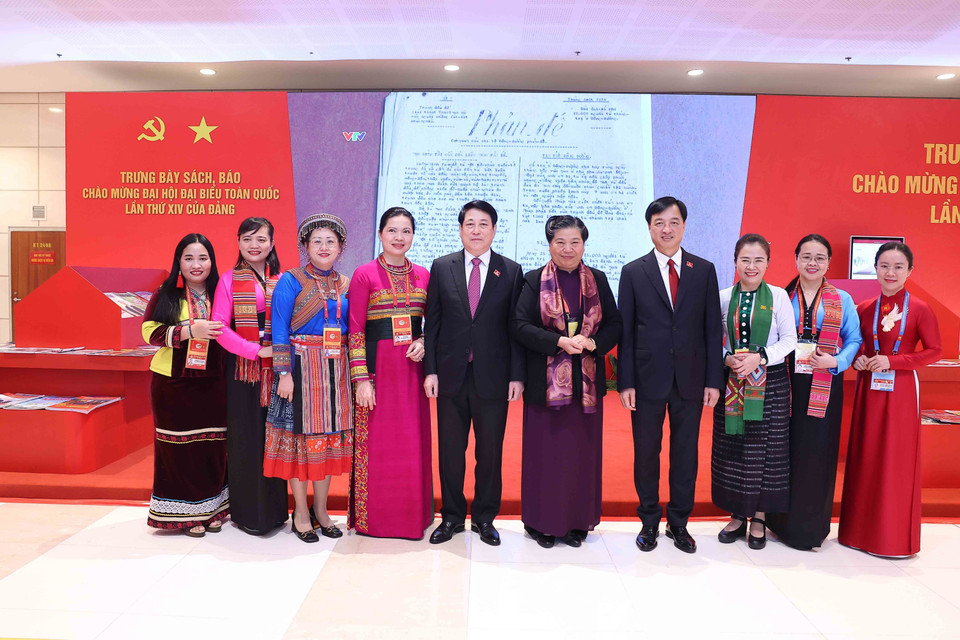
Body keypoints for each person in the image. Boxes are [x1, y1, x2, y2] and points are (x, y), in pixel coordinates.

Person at [618, 196, 723, 554]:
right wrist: (626, 381)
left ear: (683, 226)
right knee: (646, 452)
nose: (666, 229)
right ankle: (648, 521)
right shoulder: (633, 271)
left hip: (691, 379)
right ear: (649, 227)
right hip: (647, 379)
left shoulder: (703, 269)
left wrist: (713, 380)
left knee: (685, 454)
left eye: (673, 222)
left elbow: (712, 330)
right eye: (659, 222)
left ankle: (679, 523)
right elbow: (626, 331)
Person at [512, 215, 622, 548]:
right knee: (545, 456)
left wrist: (592, 343)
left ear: (584, 244)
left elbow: (615, 325)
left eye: (575, 242)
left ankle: (576, 523)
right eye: (560, 242)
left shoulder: (599, 279)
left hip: (586, 386)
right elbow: (519, 325)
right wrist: (557, 342)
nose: (568, 248)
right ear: (549, 244)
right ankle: (541, 523)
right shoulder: (533, 280)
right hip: (545, 387)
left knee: (580, 455)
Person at [424, 200, 525, 546]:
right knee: (451, 452)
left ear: (495, 230)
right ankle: (451, 517)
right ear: (461, 228)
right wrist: (431, 371)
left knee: (490, 453)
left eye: (484, 224)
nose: (477, 230)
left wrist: (516, 375)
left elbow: (516, 328)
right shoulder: (442, 267)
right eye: (470, 224)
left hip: (494, 378)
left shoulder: (511, 271)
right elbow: (432, 324)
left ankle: (485, 518)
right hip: (450, 376)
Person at [839, 241, 941, 557]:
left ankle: (892, 538)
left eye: (898, 267)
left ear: (910, 270)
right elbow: (853, 344)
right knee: (866, 454)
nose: (891, 272)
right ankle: (856, 533)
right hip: (869, 389)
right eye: (884, 265)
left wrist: (893, 362)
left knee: (896, 459)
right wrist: (856, 359)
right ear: (875, 268)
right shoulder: (864, 308)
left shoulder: (921, 309)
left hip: (902, 393)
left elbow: (934, 351)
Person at [765, 234, 861, 550]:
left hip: (824, 382)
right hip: (785, 383)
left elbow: (854, 340)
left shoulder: (842, 299)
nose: (812, 263)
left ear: (829, 263)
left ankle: (811, 528)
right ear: (795, 259)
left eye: (819, 257)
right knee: (785, 451)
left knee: (817, 453)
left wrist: (837, 360)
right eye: (806, 256)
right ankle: (780, 522)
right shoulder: (780, 297)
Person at [264, 213, 353, 543]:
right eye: (317, 241)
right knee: (301, 445)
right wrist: (283, 373)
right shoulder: (291, 280)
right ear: (305, 246)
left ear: (341, 247)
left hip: (336, 371)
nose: (324, 246)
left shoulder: (346, 284)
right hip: (300, 370)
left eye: (331, 241)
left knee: (328, 443)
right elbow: (279, 327)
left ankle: (322, 510)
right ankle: (300, 512)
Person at [348, 207, 432, 539]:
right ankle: (375, 521)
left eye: (406, 231)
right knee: (378, 446)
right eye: (393, 231)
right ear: (380, 234)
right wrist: (362, 380)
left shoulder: (425, 275)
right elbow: (354, 331)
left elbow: (434, 324)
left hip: (412, 373)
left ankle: (412, 519)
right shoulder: (364, 274)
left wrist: (425, 340)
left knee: (411, 443)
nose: (399, 238)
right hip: (377, 373)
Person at [713, 233, 797, 550]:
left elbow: (789, 340)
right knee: (734, 448)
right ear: (735, 262)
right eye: (745, 260)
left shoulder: (777, 296)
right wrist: (728, 357)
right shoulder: (722, 297)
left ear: (768, 263)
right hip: (733, 381)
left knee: (765, 452)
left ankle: (759, 516)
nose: (751, 266)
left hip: (770, 384)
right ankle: (737, 515)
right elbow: (714, 339)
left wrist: (759, 357)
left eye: (758, 260)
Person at [142, 233, 229, 537]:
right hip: (173, 384)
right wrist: (189, 329)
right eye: (188, 258)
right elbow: (149, 333)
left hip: (215, 383)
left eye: (202, 258)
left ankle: (213, 509)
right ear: (178, 262)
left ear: (212, 261)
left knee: (213, 447)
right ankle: (184, 514)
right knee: (178, 449)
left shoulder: (223, 292)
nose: (196, 264)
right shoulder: (165, 294)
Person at [211, 217, 289, 536]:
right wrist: (254, 351)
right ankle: (247, 514)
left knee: (276, 439)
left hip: (280, 372)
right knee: (246, 439)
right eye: (247, 239)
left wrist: (278, 355)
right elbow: (218, 328)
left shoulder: (284, 280)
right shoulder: (228, 280)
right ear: (239, 243)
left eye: (260, 239)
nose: (254, 245)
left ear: (272, 243)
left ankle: (274, 513)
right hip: (244, 373)